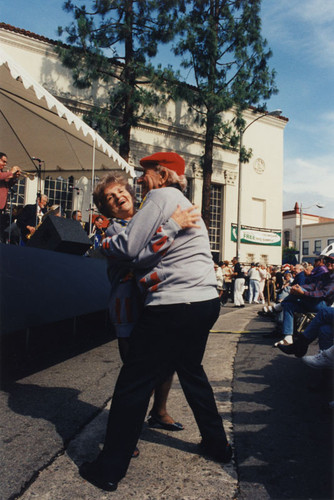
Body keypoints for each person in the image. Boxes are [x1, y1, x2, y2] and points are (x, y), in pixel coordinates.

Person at [79, 152, 232, 491]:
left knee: (132, 385)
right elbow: (145, 251)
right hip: (205, 301)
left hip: (172, 305)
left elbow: (132, 249)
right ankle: (217, 444)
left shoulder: (159, 197)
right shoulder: (181, 201)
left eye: (144, 173)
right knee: (192, 372)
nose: (139, 180)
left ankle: (109, 469)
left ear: (161, 174)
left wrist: (111, 244)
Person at [93, 171, 199, 434]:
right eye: (110, 197)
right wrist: (173, 225)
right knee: (135, 372)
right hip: (129, 308)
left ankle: (159, 411)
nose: (118, 197)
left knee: (166, 361)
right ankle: (126, 431)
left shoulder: (147, 218)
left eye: (120, 191)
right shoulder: (114, 231)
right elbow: (138, 255)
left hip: (155, 303)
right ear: (105, 208)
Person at [274, 244, 334, 347]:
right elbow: (313, 286)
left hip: (324, 305)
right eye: (327, 260)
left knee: (297, 294)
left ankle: (277, 307)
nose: (329, 263)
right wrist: (300, 287)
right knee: (289, 305)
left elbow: (323, 294)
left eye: (333, 261)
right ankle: (288, 337)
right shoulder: (325, 275)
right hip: (314, 302)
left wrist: (303, 292)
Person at [0, 152, 21, 243]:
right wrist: (11, 172)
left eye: (6, 162)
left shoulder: (3, 173)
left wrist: (14, 177)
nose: (5, 164)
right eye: (3, 161)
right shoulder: (2, 174)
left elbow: (8, 184)